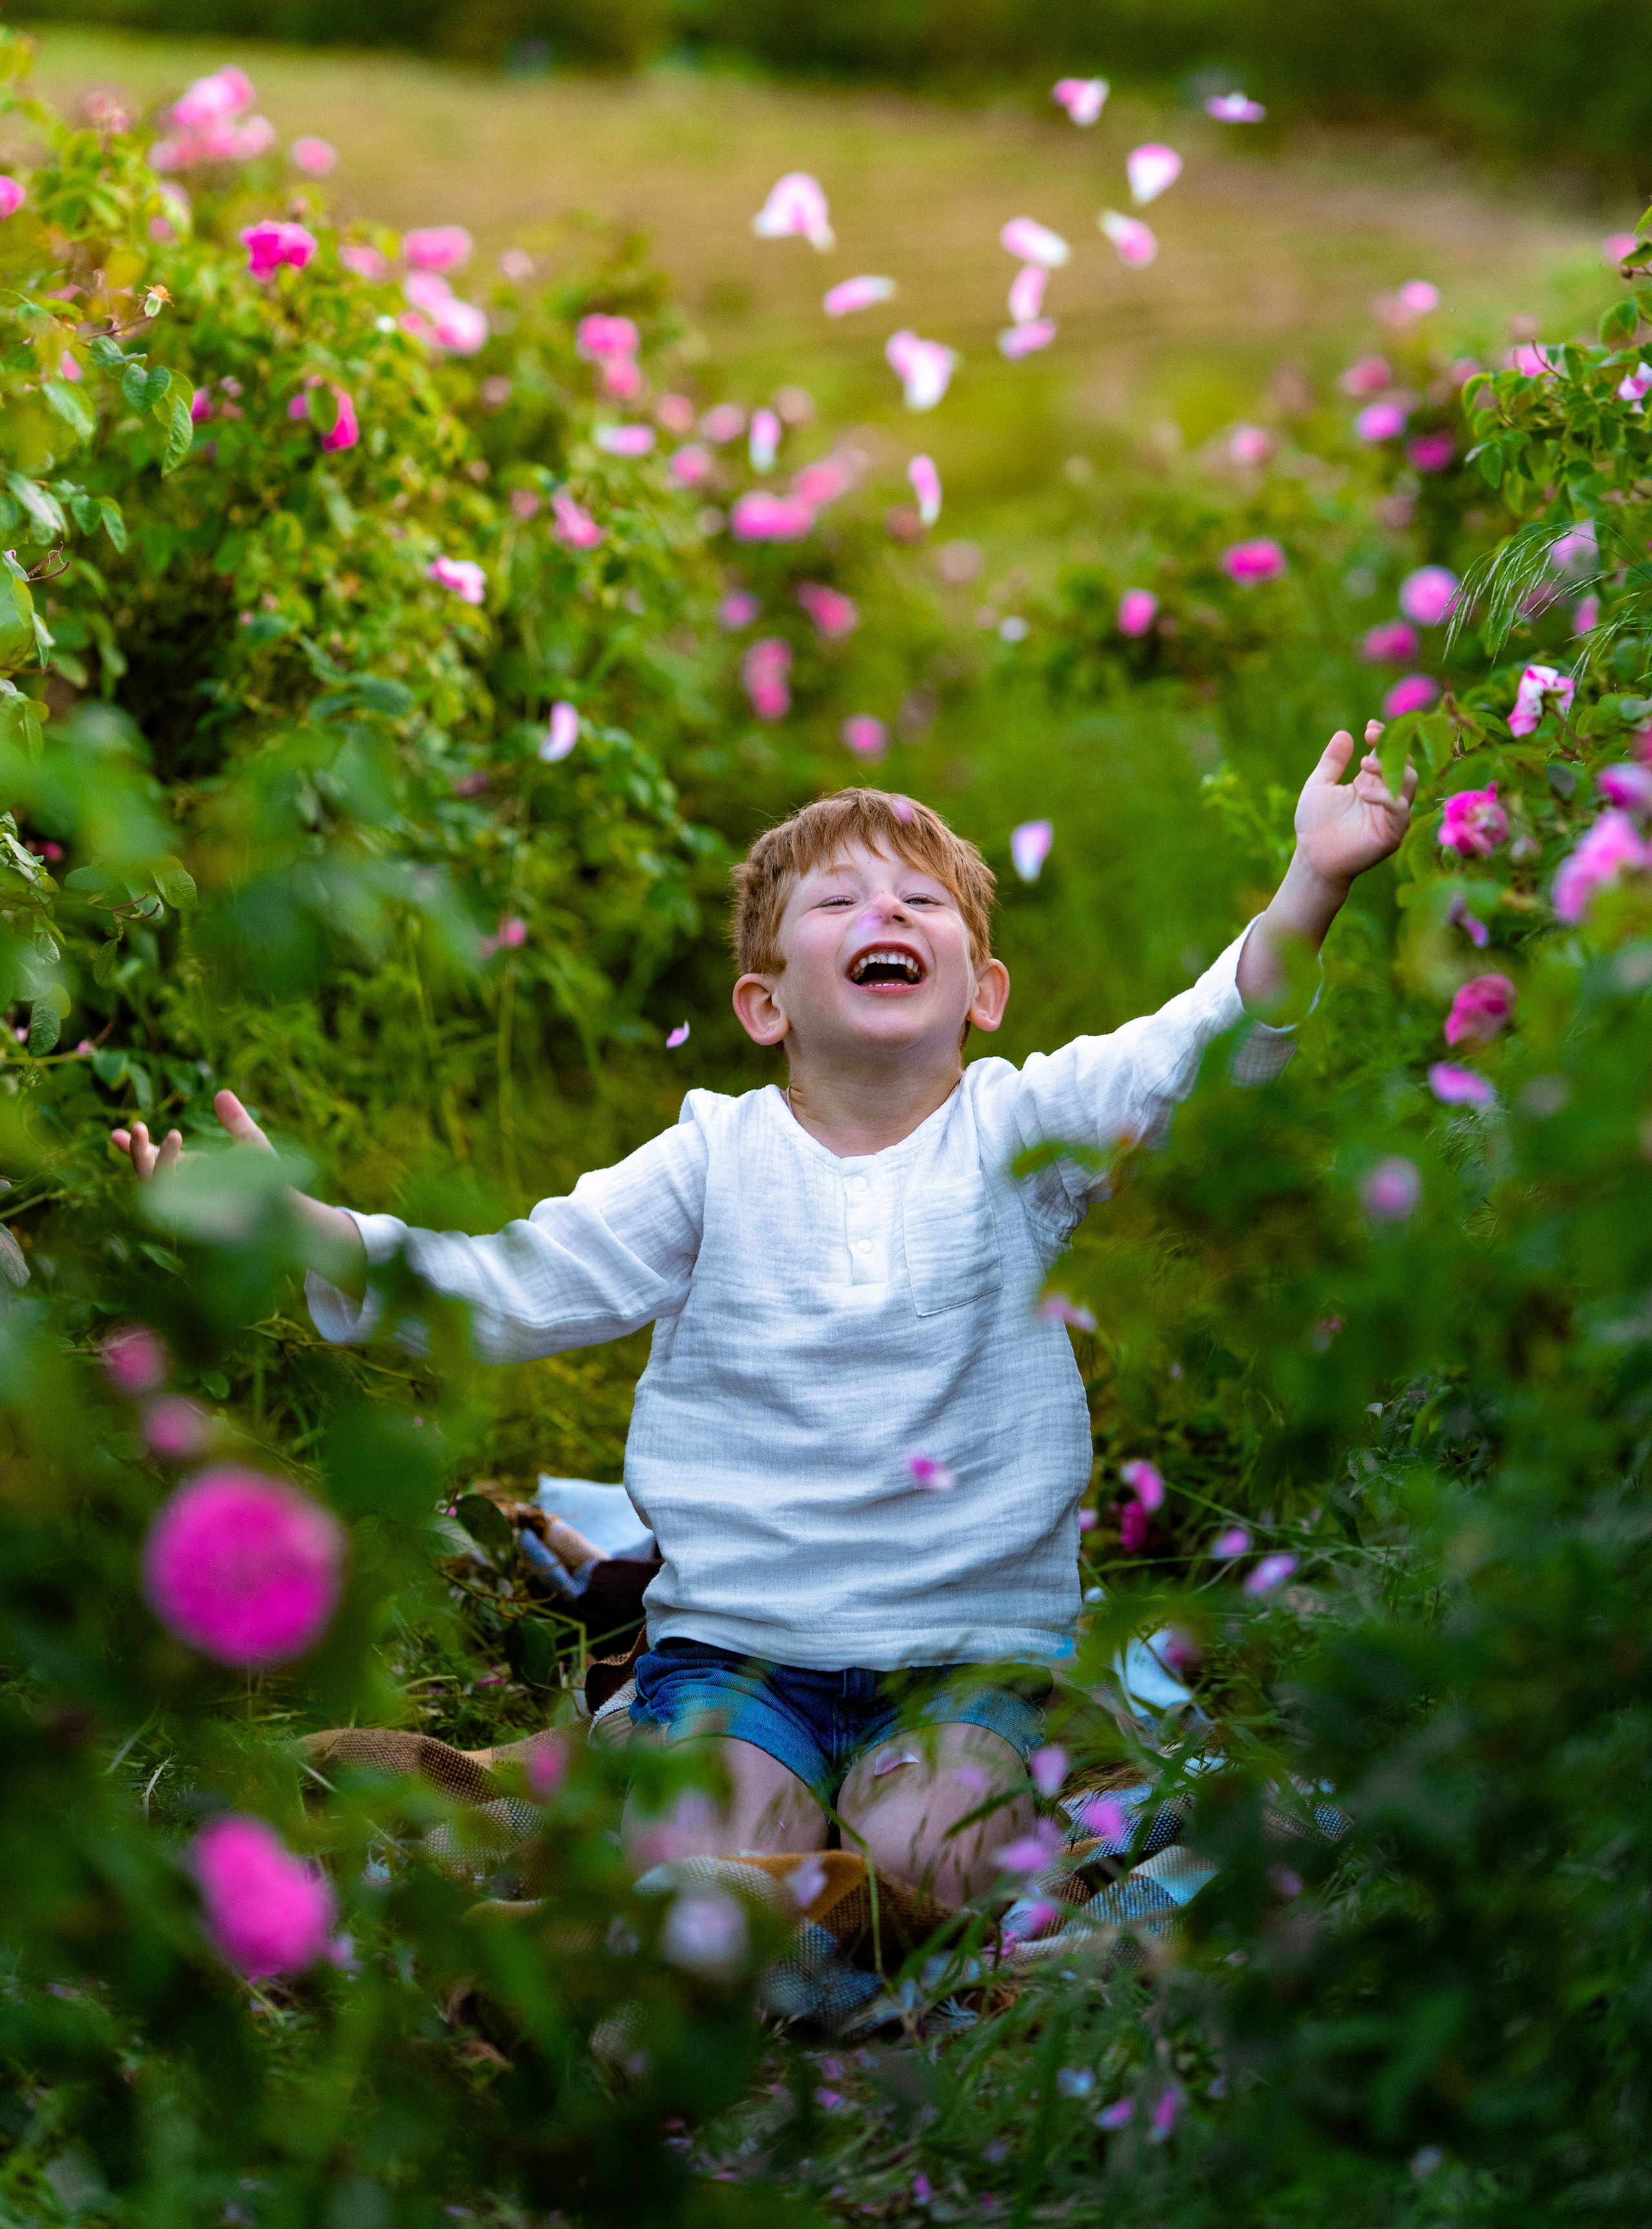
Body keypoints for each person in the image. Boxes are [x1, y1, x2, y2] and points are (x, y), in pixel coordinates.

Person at [115, 723, 1414, 1906]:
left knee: (938, 1864)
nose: (882, 911)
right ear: (763, 1003)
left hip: (962, 1658)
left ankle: (845, 1910)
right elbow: (509, 1283)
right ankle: (733, 1900)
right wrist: (300, 1230)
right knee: (702, 1862)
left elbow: (1183, 1044)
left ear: (983, 992)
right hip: (737, 1653)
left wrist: (1311, 884)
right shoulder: (708, 1160)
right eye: (837, 900)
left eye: (918, 901)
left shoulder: (1020, 1134)